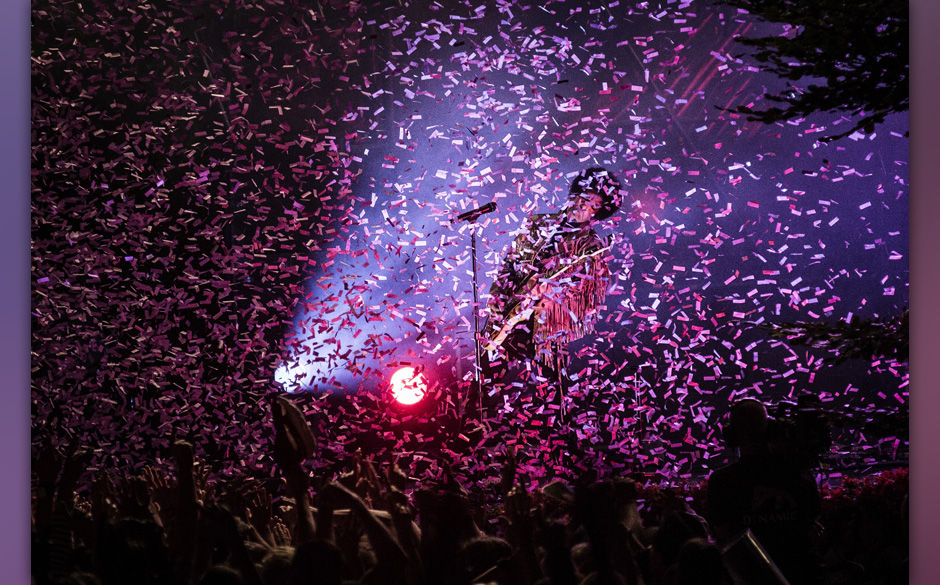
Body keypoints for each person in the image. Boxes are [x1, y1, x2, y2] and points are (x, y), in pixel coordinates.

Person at [480, 167, 621, 412]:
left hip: (547, 328)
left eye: (594, 205)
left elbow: (589, 292)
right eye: (584, 197)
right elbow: (508, 264)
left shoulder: (592, 245)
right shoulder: (537, 223)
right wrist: (497, 299)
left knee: (549, 396)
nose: (584, 206)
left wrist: (550, 290)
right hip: (508, 315)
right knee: (487, 382)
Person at [705, 398, 824, 585]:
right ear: (771, 429)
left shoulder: (722, 482)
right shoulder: (800, 476)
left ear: (731, 434)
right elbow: (813, 522)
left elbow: (724, 539)